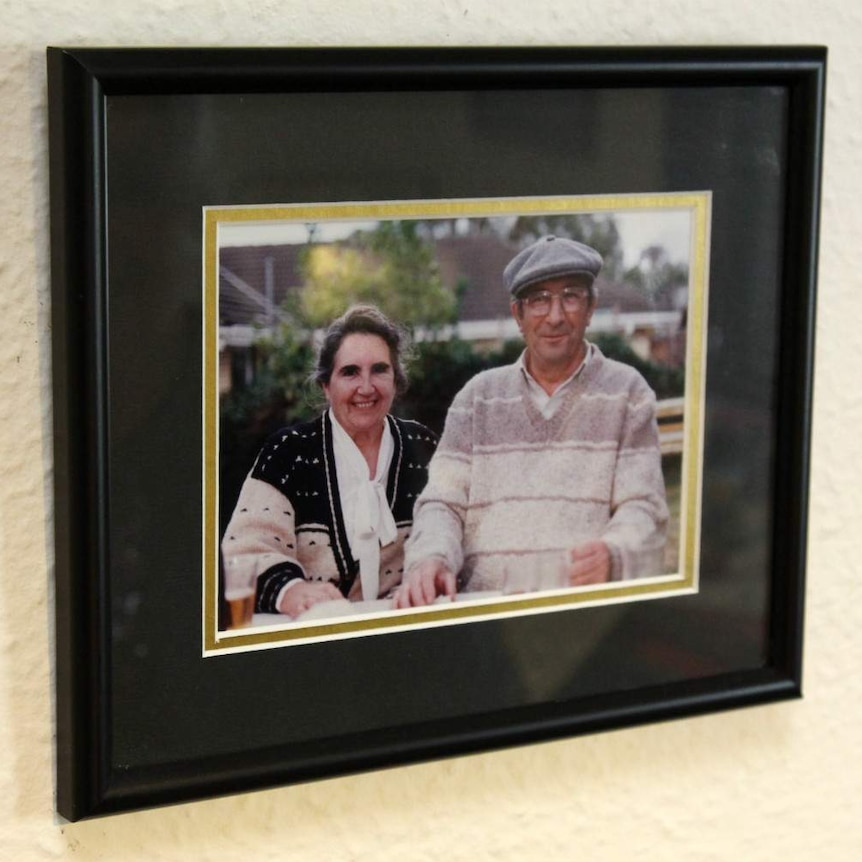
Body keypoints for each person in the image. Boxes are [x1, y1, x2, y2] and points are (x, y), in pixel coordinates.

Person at [395, 235, 668, 608]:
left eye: (570, 296)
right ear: (517, 315)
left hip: (579, 610)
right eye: (538, 299)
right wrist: (431, 559)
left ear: (591, 308)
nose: (554, 315)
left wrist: (613, 554)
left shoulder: (627, 392)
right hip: (481, 610)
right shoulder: (478, 398)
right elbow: (442, 504)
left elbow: (643, 509)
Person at [222, 305, 437, 619]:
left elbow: (458, 534)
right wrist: (289, 590)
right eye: (350, 372)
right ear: (326, 385)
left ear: (395, 378)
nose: (366, 387)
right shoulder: (289, 452)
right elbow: (242, 553)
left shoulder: (423, 448)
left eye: (379, 369)